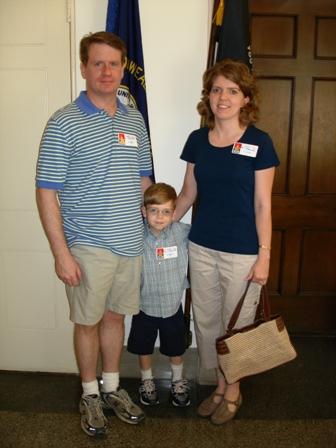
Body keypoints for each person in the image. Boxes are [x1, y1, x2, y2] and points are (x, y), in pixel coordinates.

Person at [35, 31, 153, 437]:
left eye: (114, 64)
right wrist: (61, 253)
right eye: (98, 63)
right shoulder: (63, 123)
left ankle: (113, 388)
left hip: (129, 243)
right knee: (87, 322)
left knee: (115, 319)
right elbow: (46, 191)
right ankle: (89, 394)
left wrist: (152, 230)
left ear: (124, 68)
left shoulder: (134, 119)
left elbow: (143, 179)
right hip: (87, 245)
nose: (107, 71)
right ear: (83, 67)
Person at [174, 59, 280, 425]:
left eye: (232, 90)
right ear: (209, 95)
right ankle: (219, 385)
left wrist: (264, 255)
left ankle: (233, 391)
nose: (223, 97)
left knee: (235, 327)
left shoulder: (259, 143)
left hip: (243, 253)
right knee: (206, 323)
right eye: (217, 89)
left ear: (246, 97)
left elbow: (264, 204)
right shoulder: (197, 140)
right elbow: (188, 193)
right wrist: (160, 222)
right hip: (201, 246)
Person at [127, 183, 191, 407]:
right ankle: (147, 381)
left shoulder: (182, 233)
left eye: (166, 212)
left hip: (173, 307)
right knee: (143, 346)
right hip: (144, 306)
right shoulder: (136, 236)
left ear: (174, 212)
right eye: (154, 211)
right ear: (144, 211)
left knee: (176, 347)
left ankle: (178, 380)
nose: (160, 217)